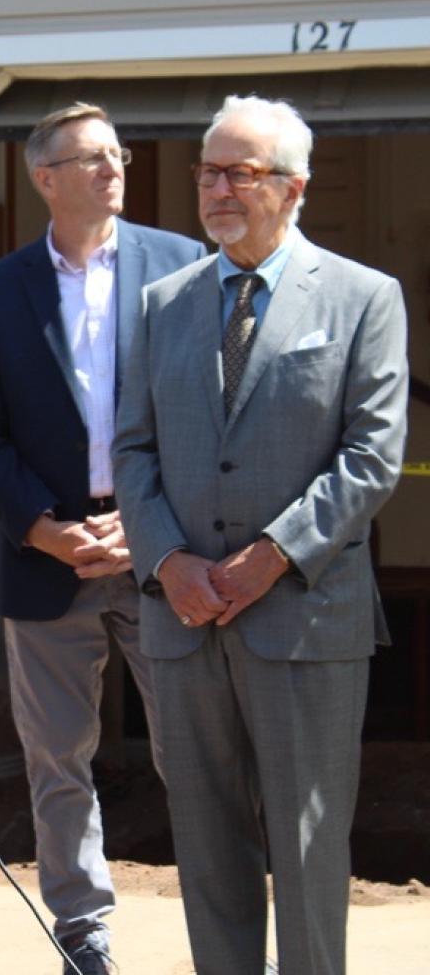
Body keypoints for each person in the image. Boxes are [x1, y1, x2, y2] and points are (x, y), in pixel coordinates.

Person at [113, 95, 408, 975]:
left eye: (238, 173)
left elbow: (373, 452)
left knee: (309, 848)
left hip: (304, 621)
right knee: (206, 849)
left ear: (294, 187)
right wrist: (168, 562)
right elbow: (132, 448)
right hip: (185, 620)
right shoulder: (163, 302)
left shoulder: (363, 297)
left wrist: (269, 557)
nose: (216, 190)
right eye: (207, 172)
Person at [0, 103, 204, 974]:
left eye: (117, 154)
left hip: (162, 552)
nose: (111, 168)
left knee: (197, 751)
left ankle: (231, 928)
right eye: (89, 157)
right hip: (47, 556)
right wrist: (43, 530)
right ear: (43, 177)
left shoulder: (183, 267)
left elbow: (208, 420)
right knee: (59, 755)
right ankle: (83, 933)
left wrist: (145, 523)